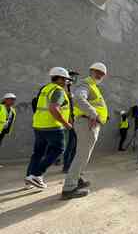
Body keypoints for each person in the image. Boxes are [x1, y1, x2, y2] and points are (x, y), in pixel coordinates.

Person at [62, 62, 109, 199]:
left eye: (102, 73)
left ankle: (77, 179)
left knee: (84, 154)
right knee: (82, 155)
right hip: (87, 122)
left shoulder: (94, 86)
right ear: (91, 71)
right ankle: (69, 187)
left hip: (90, 123)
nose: (99, 75)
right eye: (97, 72)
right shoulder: (86, 84)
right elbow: (78, 98)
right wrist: (93, 114)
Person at [25, 67, 73, 189]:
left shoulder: (45, 88)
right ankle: (36, 175)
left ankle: (29, 179)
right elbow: (53, 108)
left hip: (39, 125)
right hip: (53, 126)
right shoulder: (58, 91)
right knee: (58, 149)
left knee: (38, 153)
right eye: (66, 80)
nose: (67, 82)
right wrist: (65, 123)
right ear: (61, 79)